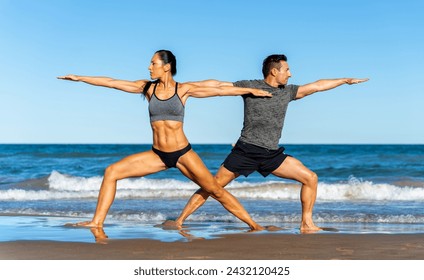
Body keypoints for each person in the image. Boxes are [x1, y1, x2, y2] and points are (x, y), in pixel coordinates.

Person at [58, 49, 272, 231]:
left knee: (215, 190)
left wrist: (251, 90)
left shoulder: (183, 89)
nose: (150, 67)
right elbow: (113, 83)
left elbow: (218, 89)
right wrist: (80, 78)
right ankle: (97, 222)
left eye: (153, 63)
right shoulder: (147, 88)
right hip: (157, 155)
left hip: (182, 154)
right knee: (111, 172)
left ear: (166, 66)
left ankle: (255, 225)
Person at [166, 54, 369, 233]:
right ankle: (180, 220)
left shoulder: (287, 92)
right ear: (274, 71)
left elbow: (315, 86)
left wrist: (344, 80)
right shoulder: (250, 86)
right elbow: (218, 85)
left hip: (271, 154)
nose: (290, 74)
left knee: (310, 178)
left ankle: (307, 223)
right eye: (287, 70)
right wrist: (184, 88)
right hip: (245, 151)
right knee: (212, 186)